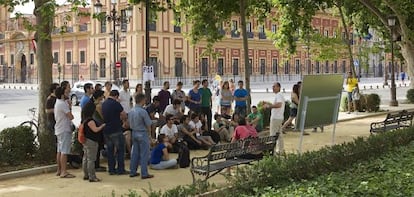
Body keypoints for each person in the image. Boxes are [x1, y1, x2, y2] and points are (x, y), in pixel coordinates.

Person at [102, 90, 128, 175]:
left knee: (110, 150)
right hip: (116, 129)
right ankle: (120, 169)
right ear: (116, 96)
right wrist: (123, 121)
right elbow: (124, 114)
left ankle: (111, 169)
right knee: (120, 149)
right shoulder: (116, 104)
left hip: (106, 130)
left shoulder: (104, 103)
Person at [128, 93, 154, 179]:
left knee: (135, 153)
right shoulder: (143, 111)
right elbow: (148, 124)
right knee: (144, 154)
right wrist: (150, 135)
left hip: (134, 132)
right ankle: (144, 173)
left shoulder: (131, 111)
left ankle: (132, 171)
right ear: (142, 100)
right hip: (142, 133)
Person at [81, 101, 106, 182]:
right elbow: (95, 130)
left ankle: (86, 174)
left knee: (85, 158)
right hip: (92, 141)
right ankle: (92, 176)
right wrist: (102, 126)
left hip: (86, 141)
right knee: (91, 159)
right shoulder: (91, 121)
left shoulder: (85, 120)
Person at [54, 86, 75, 178]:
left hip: (59, 128)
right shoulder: (62, 104)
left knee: (59, 150)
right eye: (66, 93)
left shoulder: (58, 102)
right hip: (64, 129)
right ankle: (63, 171)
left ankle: (59, 170)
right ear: (62, 94)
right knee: (64, 151)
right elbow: (71, 116)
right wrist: (69, 107)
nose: (68, 94)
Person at [266, 82, 285, 153]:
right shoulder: (279, 95)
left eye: (274, 87)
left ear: (279, 87)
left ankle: (272, 150)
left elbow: (279, 105)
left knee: (273, 134)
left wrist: (269, 106)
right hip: (279, 117)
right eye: (272, 87)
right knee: (279, 134)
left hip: (276, 118)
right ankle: (280, 150)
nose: (273, 88)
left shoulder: (279, 95)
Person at [119, 79, 133, 156]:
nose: (128, 85)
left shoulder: (129, 92)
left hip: (129, 111)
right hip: (123, 112)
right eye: (127, 83)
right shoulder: (120, 93)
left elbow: (130, 102)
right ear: (123, 84)